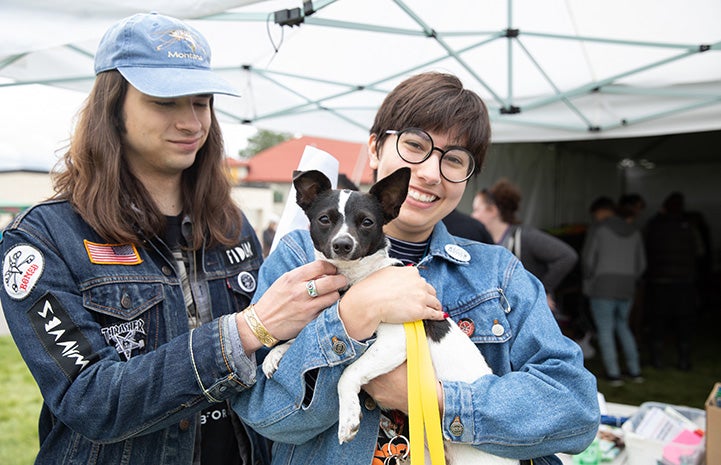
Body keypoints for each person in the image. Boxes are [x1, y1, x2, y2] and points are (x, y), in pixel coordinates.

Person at [0, 12, 349, 465]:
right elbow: (92, 401)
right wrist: (246, 330)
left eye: (201, 102)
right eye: (166, 101)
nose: (191, 122)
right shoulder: (43, 239)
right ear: (113, 107)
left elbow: (276, 369)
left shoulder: (232, 226)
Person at [231, 72, 599, 465]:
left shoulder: (498, 274)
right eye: (415, 145)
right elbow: (265, 414)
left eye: (454, 160)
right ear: (375, 148)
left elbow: (576, 411)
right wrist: (350, 318)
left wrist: (431, 397)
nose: (429, 172)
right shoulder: (296, 260)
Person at [471, 178, 579, 313]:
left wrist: (541, 289)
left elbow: (567, 256)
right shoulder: (485, 241)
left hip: (529, 313)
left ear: (492, 210)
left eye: (476, 210)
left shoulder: (525, 236)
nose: (472, 216)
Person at [581, 196, 646, 386]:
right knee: (623, 326)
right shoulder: (635, 231)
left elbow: (587, 260)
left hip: (602, 286)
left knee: (605, 329)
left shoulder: (598, 229)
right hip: (627, 286)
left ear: (601, 211)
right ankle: (635, 371)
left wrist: (589, 279)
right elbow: (641, 264)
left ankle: (614, 374)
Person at [644, 191, 697, 371]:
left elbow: (647, 250)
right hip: (683, 282)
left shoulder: (655, 226)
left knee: (658, 321)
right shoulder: (688, 226)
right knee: (684, 323)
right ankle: (684, 361)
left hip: (660, 281)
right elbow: (698, 252)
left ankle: (657, 360)